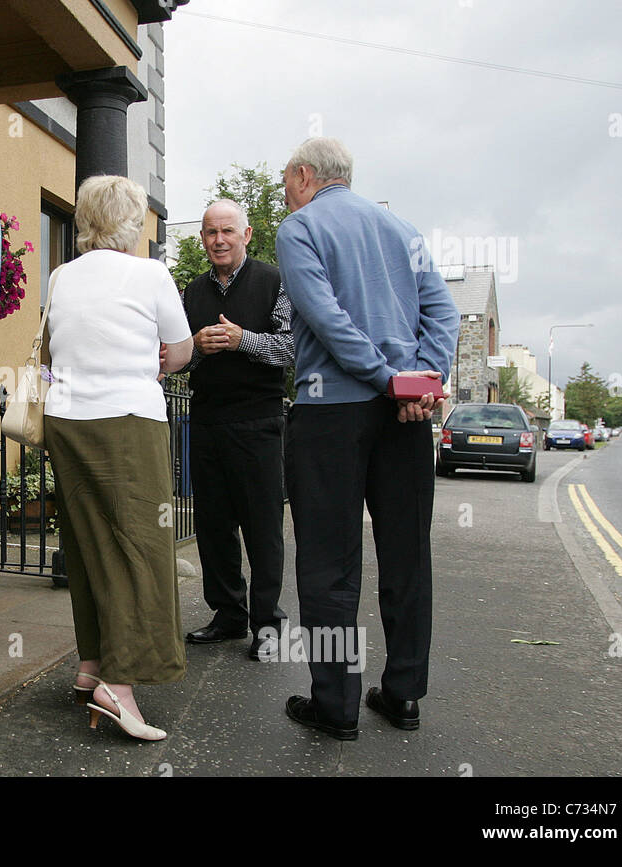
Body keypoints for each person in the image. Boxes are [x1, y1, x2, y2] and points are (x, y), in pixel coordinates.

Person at [274, 137, 459, 740]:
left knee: (329, 565)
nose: (286, 193)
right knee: (407, 555)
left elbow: (326, 319)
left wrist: (385, 380)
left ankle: (337, 706)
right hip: (405, 418)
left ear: (304, 176)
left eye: (285, 183)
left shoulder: (299, 228)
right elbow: (445, 315)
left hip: (331, 415)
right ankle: (403, 695)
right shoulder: (403, 228)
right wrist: (416, 386)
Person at [42, 174, 194, 741]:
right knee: (138, 549)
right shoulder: (150, 274)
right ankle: (120, 685)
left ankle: (91, 666)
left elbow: (56, 349)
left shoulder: (60, 277)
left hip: (67, 420)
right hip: (127, 422)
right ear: (132, 223)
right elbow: (178, 351)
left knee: (86, 545)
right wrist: (154, 362)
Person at [179, 200, 293, 660]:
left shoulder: (274, 281)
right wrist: (198, 347)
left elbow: (292, 349)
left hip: (259, 421)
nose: (219, 240)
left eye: (228, 231)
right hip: (207, 421)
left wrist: (242, 339)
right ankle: (227, 615)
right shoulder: (190, 291)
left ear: (247, 235)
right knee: (213, 527)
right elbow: (173, 355)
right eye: (210, 232)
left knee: (263, 528)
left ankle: (268, 624)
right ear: (203, 238)